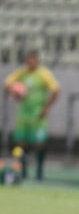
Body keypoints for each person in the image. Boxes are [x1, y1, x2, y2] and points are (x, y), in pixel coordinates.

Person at [4, 49, 59, 180]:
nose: (30, 62)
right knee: (21, 143)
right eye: (28, 59)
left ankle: (39, 171)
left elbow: (56, 91)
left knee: (40, 143)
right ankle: (23, 170)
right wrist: (14, 92)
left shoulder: (44, 74)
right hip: (24, 114)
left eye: (32, 59)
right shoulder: (22, 73)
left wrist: (46, 108)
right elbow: (7, 84)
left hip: (38, 114)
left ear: (37, 60)